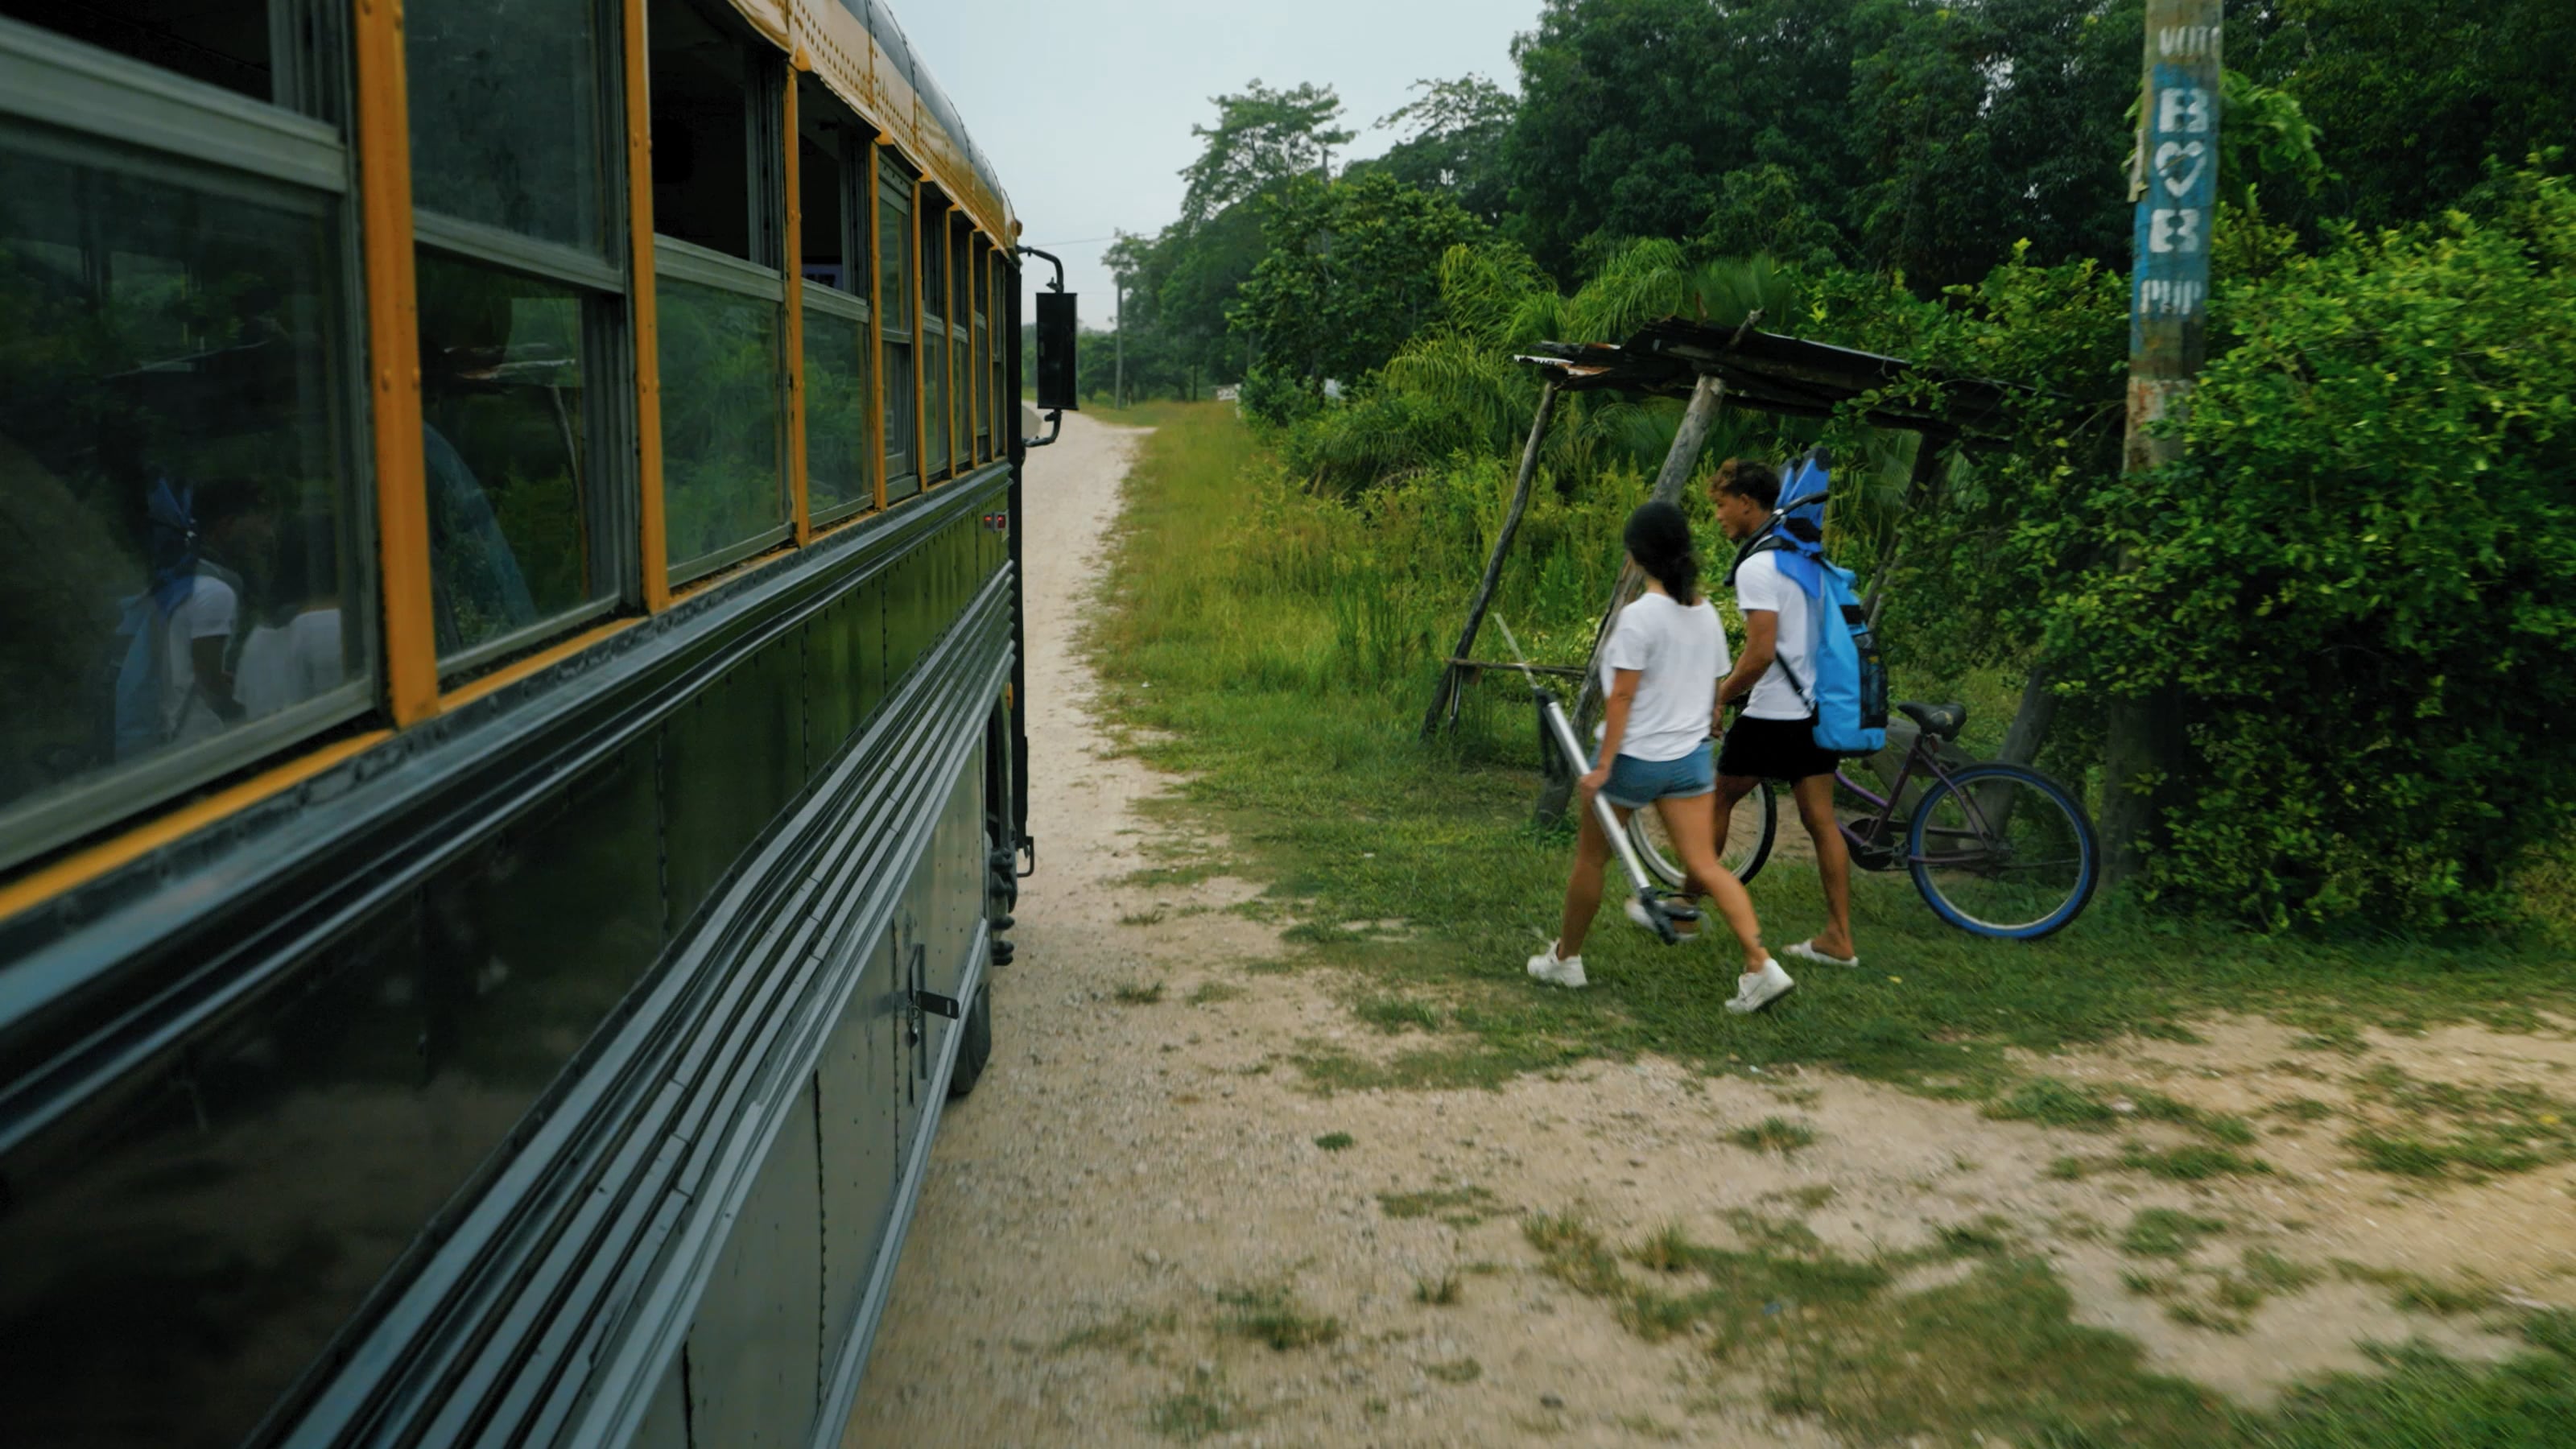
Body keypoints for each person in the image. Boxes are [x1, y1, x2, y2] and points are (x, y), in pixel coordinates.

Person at [1528, 501, 1793, 1015]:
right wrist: (1707, 726)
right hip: (1689, 759)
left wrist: (1603, 766)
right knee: (1704, 867)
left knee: (1590, 859)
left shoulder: (1638, 618)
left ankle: (1567, 959)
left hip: (1634, 760)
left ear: (1635, 557)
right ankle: (1761, 964)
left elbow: (1621, 698)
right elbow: (1714, 685)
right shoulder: (1707, 613)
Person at [1710, 458, 1859, 970]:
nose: (1719, 515)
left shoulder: (1756, 566)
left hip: (1775, 711)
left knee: (1717, 799)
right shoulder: (1805, 557)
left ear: (1747, 503)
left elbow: (1759, 653)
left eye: (1722, 504)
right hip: (1814, 708)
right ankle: (1840, 938)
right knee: (1822, 822)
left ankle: (1684, 908)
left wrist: (1721, 695)